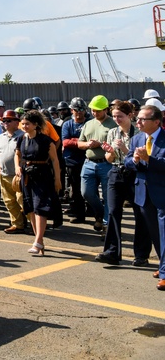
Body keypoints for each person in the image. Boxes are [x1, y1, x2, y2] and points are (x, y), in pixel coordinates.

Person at [97, 100, 152, 266]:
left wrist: (125, 150)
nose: (116, 119)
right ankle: (112, 252)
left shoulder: (139, 133)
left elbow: (139, 157)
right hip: (116, 172)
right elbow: (109, 159)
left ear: (130, 115)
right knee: (113, 211)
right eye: (114, 116)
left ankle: (141, 254)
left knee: (140, 214)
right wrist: (110, 152)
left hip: (135, 174)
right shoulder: (113, 132)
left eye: (120, 116)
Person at [125, 104, 165, 290]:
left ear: (156, 122)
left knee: (164, 233)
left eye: (143, 119)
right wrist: (135, 160)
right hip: (143, 193)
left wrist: (149, 160)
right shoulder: (137, 139)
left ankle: (164, 272)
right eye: (137, 118)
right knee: (155, 233)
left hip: (162, 192)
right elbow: (127, 162)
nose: (138, 122)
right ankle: (163, 265)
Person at [15, 109, 62, 256]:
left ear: (35, 125)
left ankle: (38, 241)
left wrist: (58, 180)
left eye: (27, 124)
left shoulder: (46, 141)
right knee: (30, 208)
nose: (24, 126)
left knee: (40, 208)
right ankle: (38, 240)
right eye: (23, 124)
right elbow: (17, 154)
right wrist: (17, 167)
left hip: (43, 175)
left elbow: (55, 160)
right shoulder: (22, 139)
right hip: (27, 176)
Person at [79, 95, 115, 235]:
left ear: (106, 109)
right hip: (88, 163)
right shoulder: (88, 124)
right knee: (86, 193)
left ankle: (106, 225)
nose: (95, 113)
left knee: (108, 196)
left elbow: (117, 145)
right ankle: (100, 214)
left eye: (98, 110)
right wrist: (88, 144)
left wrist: (100, 144)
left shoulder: (113, 124)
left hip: (106, 164)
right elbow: (79, 143)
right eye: (93, 110)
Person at [0, 110, 26, 234]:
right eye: (4, 121)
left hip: (19, 175)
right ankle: (17, 224)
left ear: (16, 122)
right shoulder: (0, 137)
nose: (6, 123)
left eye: (9, 120)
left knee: (22, 200)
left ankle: (34, 223)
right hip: (4, 174)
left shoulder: (23, 136)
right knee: (9, 201)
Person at [61, 97, 89, 223]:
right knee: (76, 189)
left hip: (87, 160)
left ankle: (92, 211)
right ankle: (79, 214)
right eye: (77, 110)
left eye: (82, 109)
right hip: (72, 161)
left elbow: (94, 140)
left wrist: (75, 141)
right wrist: (82, 142)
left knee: (89, 189)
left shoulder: (89, 122)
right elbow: (65, 142)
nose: (79, 112)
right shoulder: (67, 124)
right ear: (72, 110)